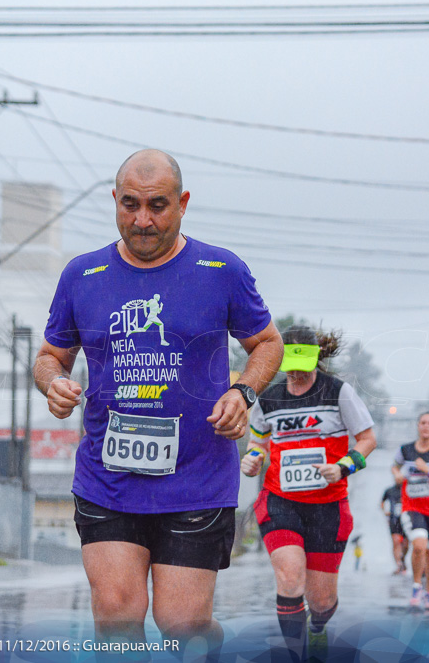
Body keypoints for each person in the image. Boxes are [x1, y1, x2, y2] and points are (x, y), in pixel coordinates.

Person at [34, 149, 283, 650]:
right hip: (109, 478)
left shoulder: (222, 270)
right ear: (115, 201)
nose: (142, 220)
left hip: (197, 478)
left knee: (182, 626)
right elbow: (49, 356)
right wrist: (53, 383)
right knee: (117, 615)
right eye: (130, 205)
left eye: (157, 205)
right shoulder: (82, 275)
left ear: (183, 203)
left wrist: (244, 390)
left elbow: (267, 344)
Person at [241, 326, 376, 661]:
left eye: (303, 362)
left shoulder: (338, 392)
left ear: (317, 358)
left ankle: (318, 627)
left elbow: (368, 439)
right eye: (291, 362)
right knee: (289, 579)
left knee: (321, 601)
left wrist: (344, 465)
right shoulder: (269, 398)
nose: (297, 371)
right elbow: (258, 441)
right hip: (280, 500)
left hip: (328, 506)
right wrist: (253, 458)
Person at [391, 412, 429, 611]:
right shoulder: (406, 450)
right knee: (419, 545)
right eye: (423, 423)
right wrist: (397, 475)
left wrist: (427, 471)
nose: (426, 426)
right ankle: (416, 586)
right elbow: (394, 466)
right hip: (412, 506)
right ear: (418, 426)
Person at [381, 483, 408, 575]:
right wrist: (385, 512)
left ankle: (402, 559)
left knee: (405, 543)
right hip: (394, 519)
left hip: (407, 519)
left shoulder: (408, 488)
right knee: (396, 541)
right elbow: (382, 502)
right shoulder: (389, 490)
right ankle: (399, 565)